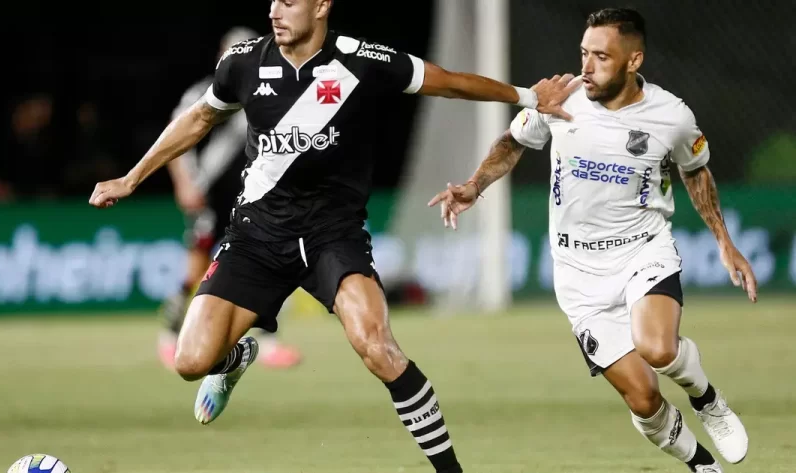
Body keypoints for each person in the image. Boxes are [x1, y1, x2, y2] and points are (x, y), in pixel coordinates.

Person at [89, 1, 577, 471]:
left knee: (379, 350)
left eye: (289, 2)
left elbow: (446, 82)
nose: (275, 12)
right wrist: (131, 178)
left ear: (321, 6)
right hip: (257, 236)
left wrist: (530, 97)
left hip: (332, 237)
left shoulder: (362, 60)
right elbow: (198, 118)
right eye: (273, 2)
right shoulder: (242, 63)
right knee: (190, 361)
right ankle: (236, 357)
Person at [428, 8, 755, 473]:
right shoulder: (563, 99)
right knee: (643, 399)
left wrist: (724, 241)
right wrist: (473, 186)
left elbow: (695, 170)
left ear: (633, 60)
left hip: (644, 251)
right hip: (578, 275)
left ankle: (708, 400)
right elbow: (512, 141)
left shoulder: (672, 115)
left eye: (601, 56)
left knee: (658, 349)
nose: (586, 66)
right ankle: (702, 464)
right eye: (583, 53)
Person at [159, 26, 303, 371]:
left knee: (268, 268)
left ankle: (267, 344)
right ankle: (169, 335)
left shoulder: (267, 92)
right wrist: (184, 184)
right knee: (195, 271)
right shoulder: (204, 92)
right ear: (222, 55)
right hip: (208, 194)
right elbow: (176, 137)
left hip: (251, 198)